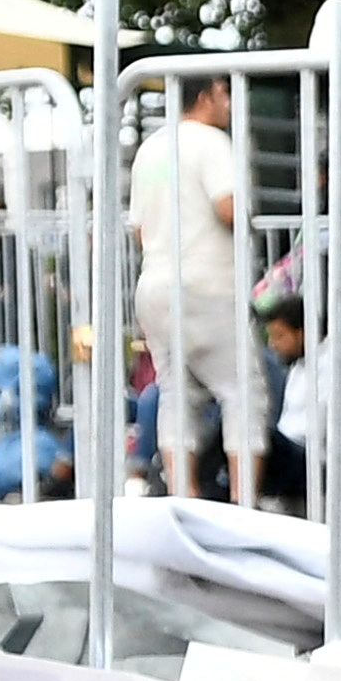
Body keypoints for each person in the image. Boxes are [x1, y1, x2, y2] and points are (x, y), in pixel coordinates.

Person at [132, 72, 261, 502]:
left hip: (155, 284)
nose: (228, 103)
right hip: (204, 282)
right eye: (224, 93)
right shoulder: (211, 143)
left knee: (176, 394)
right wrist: (248, 219)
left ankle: (182, 500)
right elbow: (226, 207)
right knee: (243, 391)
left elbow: (139, 229)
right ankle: (245, 508)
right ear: (205, 96)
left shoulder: (151, 149)